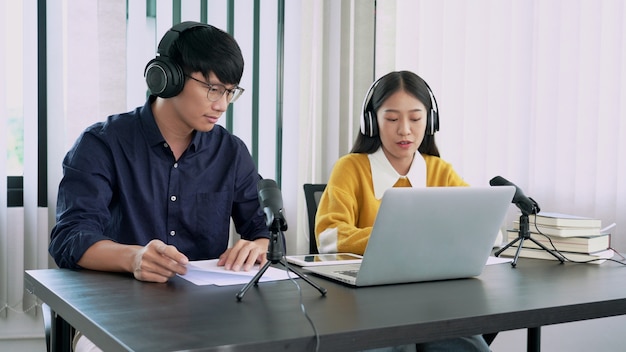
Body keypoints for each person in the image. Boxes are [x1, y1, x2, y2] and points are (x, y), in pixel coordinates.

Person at [49, 22, 270, 351]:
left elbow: (260, 227)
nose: (222, 105)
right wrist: (135, 258)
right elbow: (70, 239)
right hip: (116, 316)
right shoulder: (102, 144)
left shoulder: (231, 152)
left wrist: (259, 244)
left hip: (208, 317)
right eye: (212, 88)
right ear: (167, 77)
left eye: (229, 92)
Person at [315, 71, 491, 352]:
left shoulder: (440, 171)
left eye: (416, 118)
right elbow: (330, 237)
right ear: (371, 122)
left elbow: (483, 226)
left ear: (430, 121)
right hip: (368, 303)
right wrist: (398, 239)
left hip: (435, 301)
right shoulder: (351, 168)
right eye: (392, 119)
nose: (405, 130)